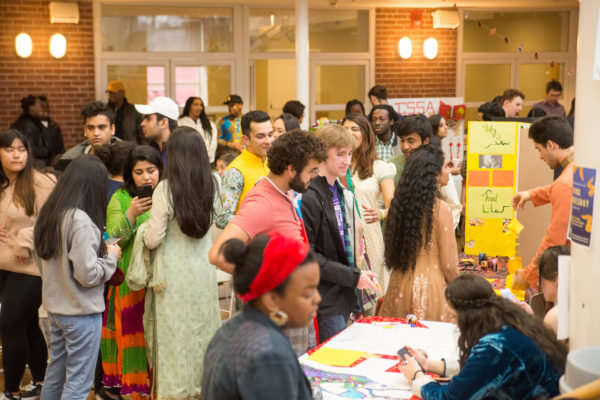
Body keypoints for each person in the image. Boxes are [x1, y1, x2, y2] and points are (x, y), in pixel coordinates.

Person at [209, 130, 327, 355]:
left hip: (292, 308)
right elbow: (218, 254)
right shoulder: (262, 202)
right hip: (277, 314)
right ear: (291, 169)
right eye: (311, 171)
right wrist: (268, 284)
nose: (315, 176)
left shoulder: (281, 193)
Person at [139, 126, 221, 399]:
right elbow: (222, 220)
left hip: (172, 275)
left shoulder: (165, 188)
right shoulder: (214, 181)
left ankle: (176, 392)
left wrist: (140, 230)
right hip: (204, 269)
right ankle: (205, 387)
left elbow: (152, 239)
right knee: (204, 332)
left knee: (175, 337)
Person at [34, 155, 122, 400]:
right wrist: (111, 256)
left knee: (56, 374)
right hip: (81, 313)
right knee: (79, 383)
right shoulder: (81, 221)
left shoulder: (48, 214)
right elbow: (87, 274)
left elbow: (39, 262)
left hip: (55, 309)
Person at [399, 274, 566, 399]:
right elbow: (479, 370)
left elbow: (450, 397)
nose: (451, 321)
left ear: (468, 316)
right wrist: (429, 365)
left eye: (452, 315)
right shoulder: (507, 324)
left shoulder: (495, 345)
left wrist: (417, 376)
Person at [202, 233, 320, 399]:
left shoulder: (232, 328)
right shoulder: (270, 355)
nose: (318, 298)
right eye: (307, 293)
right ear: (271, 300)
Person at [301, 125, 380, 342]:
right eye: (340, 154)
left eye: (350, 154)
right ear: (322, 154)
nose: (347, 160)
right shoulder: (309, 196)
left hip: (343, 292)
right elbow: (310, 256)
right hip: (324, 296)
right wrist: (354, 277)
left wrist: (356, 277)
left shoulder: (341, 191)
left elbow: (348, 248)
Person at [100, 145, 163, 399]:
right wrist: (131, 214)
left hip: (161, 281)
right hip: (130, 283)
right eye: (139, 172)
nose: (146, 177)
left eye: (151, 170)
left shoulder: (167, 195)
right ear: (130, 174)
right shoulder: (121, 198)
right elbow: (111, 238)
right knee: (135, 337)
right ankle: (136, 391)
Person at [0, 129, 55, 400]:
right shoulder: (3, 183)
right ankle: (41, 382)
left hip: (30, 266)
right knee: (27, 324)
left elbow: (51, 221)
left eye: (21, 149)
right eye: (9, 149)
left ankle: (10, 390)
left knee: (10, 323)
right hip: (4, 265)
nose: (16, 154)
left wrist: (25, 237)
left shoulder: (40, 182)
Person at [379, 144, 458, 321]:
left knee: (401, 345)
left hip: (399, 285)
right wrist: (458, 288)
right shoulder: (441, 209)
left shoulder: (399, 205)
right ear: (435, 175)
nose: (448, 171)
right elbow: (449, 265)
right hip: (432, 288)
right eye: (445, 166)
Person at [512, 116, 573, 290]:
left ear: (551, 145)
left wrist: (528, 274)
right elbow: (556, 188)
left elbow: (554, 239)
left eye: (539, 149)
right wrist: (531, 194)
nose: (540, 156)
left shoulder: (565, 184)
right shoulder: (579, 167)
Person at [342, 114, 395, 295]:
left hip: (370, 235)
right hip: (343, 236)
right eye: (345, 129)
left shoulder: (379, 167)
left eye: (354, 129)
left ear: (366, 134)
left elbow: (393, 205)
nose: (348, 133)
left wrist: (381, 214)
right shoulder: (337, 167)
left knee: (371, 291)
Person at [215, 110, 274, 229]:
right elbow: (223, 218)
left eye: (270, 134)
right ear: (245, 139)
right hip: (250, 244)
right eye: (260, 136)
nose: (268, 141)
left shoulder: (273, 162)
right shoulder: (235, 172)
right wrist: (257, 223)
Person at [56, 101, 120, 172]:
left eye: (102, 127)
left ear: (112, 129)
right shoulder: (69, 161)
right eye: (90, 128)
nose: (96, 133)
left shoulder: (127, 159)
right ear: (85, 130)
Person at [135, 96, 179, 166]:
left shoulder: (178, 157)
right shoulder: (156, 152)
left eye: (148, 119)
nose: (142, 124)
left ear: (164, 123)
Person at [389, 115, 432, 185]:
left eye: (411, 141)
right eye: (402, 141)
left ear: (426, 141)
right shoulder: (392, 165)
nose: (405, 147)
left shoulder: (435, 165)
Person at [537, 245, 570, 333]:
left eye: (540, 277)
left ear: (557, 279)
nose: (538, 283)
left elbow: (542, 346)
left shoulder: (555, 316)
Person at [10, 95, 50, 167]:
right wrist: (46, 151)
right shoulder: (29, 125)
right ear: (31, 108)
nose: (42, 109)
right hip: (33, 165)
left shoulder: (22, 122)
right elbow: (29, 147)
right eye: (39, 106)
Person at [178, 96, 218, 163]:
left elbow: (213, 143)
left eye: (201, 105)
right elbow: (179, 143)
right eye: (195, 105)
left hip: (206, 160)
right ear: (189, 106)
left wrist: (206, 155)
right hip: (187, 161)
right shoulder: (180, 123)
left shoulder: (210, 124)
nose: (199, 108)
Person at [38, 95, 65, 164]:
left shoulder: (54, 126)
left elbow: (61, 147)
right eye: (42, 107)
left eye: (47, 107)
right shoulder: (33, 126)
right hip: (39, 163)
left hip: (54, 163)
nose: (45, 110)